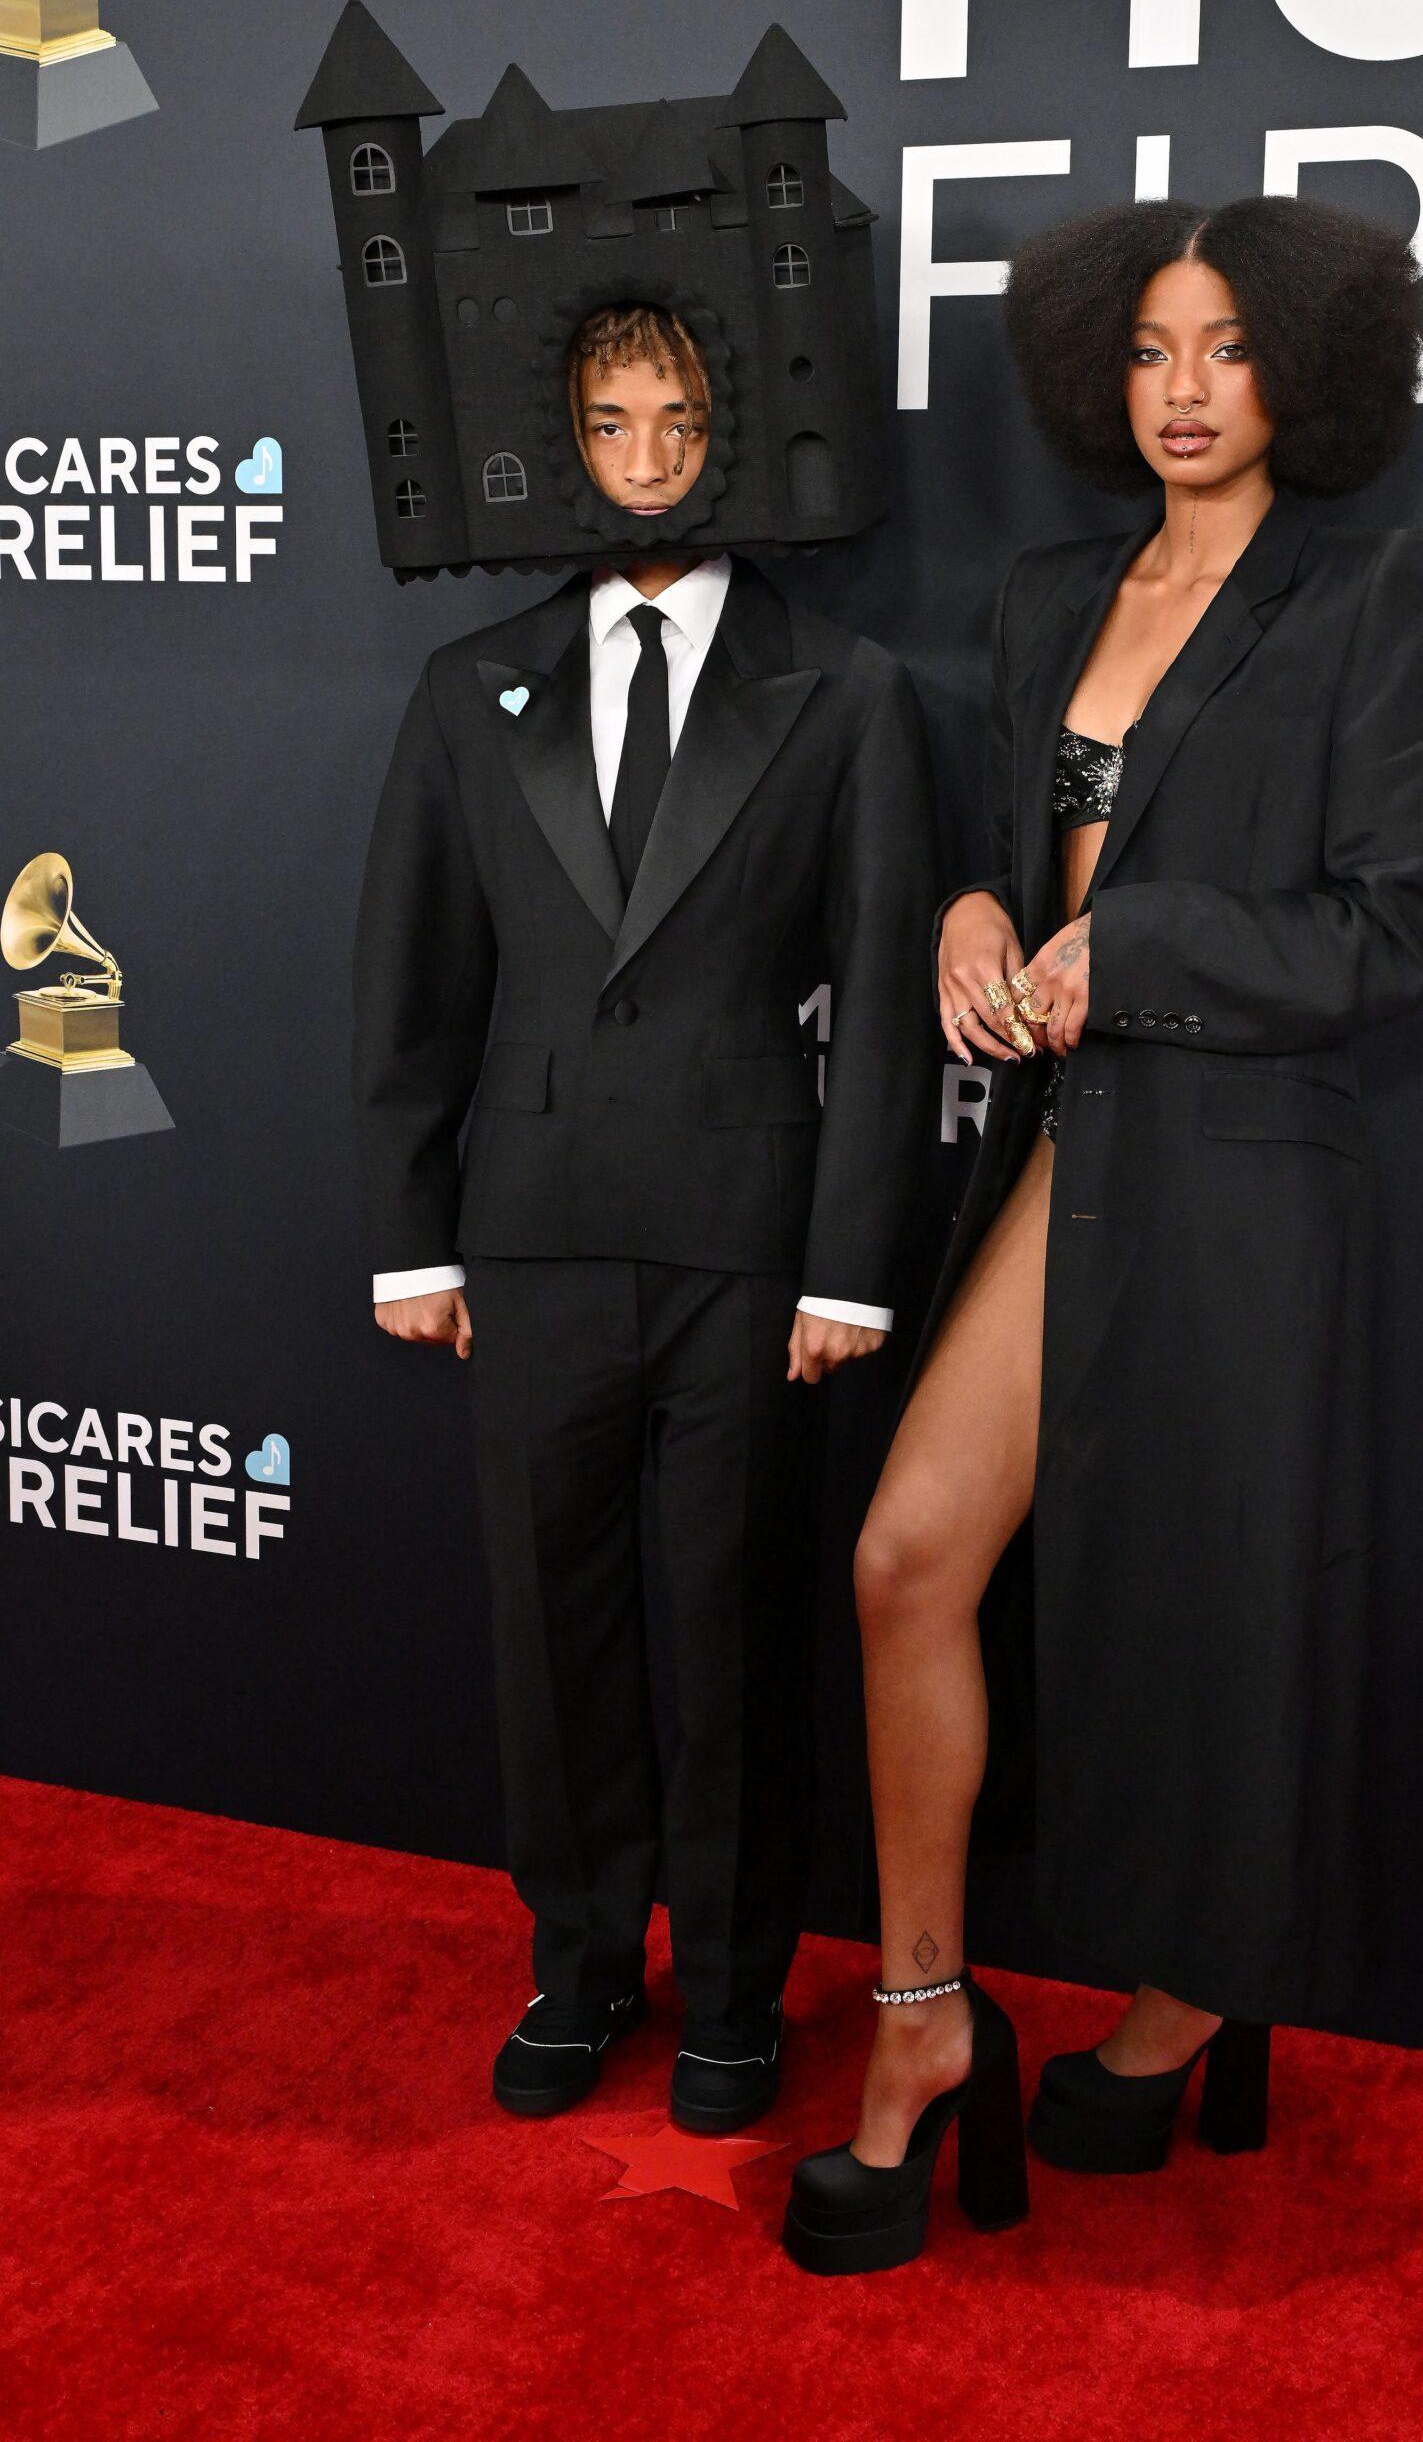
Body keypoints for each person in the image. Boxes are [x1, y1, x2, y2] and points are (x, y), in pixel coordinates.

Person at [783, 195, 1423, 2273]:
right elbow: (1014, 867)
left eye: (1230, 350)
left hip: (1249, 1171)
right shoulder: (1044, 597)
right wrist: (977, 921)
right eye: (1155, 349)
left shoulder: (1380, 597)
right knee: (909, 1555)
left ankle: (1188, 1998)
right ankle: (922, 2024)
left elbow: (1392, 927)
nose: (1183, 389)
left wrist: (1130, 944)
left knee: (1209, 1608)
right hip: (1073, 1146)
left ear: (1307, 375)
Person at [354, 302, 939, 2135]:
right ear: (564, 446)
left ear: (729, 435)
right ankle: (586, 1958)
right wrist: (413, 1234)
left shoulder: (842, 688)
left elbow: (885, 993)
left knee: (736, 1622)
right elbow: (413, 983)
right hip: (525, 1231)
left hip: (748, 1237)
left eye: (678, 419)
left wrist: (852, 1263)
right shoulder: (472, 684)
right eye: (609, 423)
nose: (647, 454)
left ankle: (740, 1991)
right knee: (557, 1624)